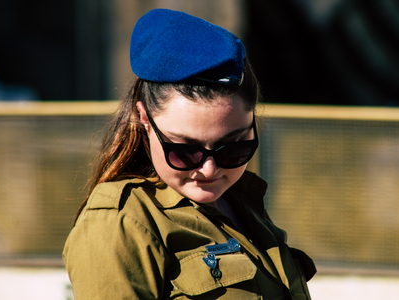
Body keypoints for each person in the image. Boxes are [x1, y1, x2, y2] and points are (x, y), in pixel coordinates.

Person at [63, 8, 316, 300]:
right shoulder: (118, 225)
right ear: (144, 118)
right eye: (184, 151)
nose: (209, 170)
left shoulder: (241, 204)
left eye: (233, 149)